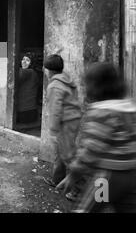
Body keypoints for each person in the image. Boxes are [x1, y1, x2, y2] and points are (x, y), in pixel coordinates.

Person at [56, 62, 136, 213]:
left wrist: (73, 175)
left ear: (93, 86)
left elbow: (90, 151)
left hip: (106, 179)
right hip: (130, 176)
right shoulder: (132, 109)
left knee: (87, 209)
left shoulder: (101, 112)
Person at [42, 54, 82, 201]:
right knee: (61, 150)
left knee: (68, 155)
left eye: (46, 69)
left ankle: (79, 189)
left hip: (66, 122)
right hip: (73, 119)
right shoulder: (65, 79)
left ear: (49, 71)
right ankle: (57, 179)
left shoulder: (54, 85)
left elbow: (55, 110)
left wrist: (52, 131)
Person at [16, 53, 40, 124]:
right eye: (23, 59)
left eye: (27, 60)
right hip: (29, 111)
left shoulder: (29, 72)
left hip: (25, 112)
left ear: (31, 63)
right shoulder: (33, 73)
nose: (24, 62)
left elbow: (13, 72)